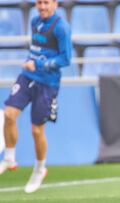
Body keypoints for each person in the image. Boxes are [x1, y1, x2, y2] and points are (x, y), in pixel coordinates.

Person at [0, 0, 71, 193]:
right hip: (27, 76)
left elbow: (66, 59)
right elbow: (37, 49)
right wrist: (32, 61)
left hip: (47, 84)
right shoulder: (34, 21)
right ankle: (9, 158)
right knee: (9, 114)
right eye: (39, 2)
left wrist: (40, 65)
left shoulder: (61, 28)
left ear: (55, 4)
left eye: (46, 3)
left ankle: (40, 169)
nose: (42, 7)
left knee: (37, 131)